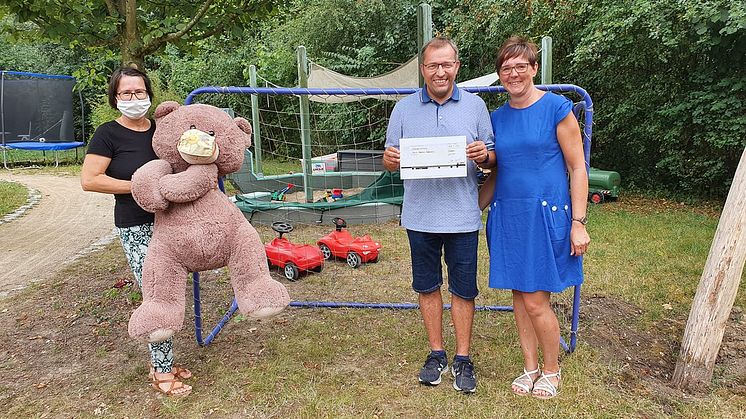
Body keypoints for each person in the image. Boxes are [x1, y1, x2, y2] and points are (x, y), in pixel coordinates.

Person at [479, 36, 591, 399]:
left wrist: (578, 222)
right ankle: (529, 367)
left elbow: (577, 168)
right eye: (506, 68)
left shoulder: (557, 108)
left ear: (534, 68)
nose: (513, 73)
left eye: (520, 66)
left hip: (545, 215)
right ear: (499, 74)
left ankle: (552, 370)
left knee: (535, 300)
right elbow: (498, 171)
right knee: (518, 295)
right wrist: (473, 207)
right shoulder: (497, 118)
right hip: (508, 215)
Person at [383, 37, 495, 394]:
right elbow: (389, 159)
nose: (440, 71)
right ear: (423, 69)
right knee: (427, 286)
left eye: (446, 64)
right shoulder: (403, 109)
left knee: (463, 289)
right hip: (419, 217)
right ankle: (437, 353)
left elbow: (492, 160)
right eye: (433, 65)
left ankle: (463, 357)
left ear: (457, 67)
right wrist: (389, 161)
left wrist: (484, 156)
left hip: (463, 216)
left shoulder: (476, 107)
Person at [80, 67, 192, 397]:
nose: (134, 98)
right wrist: (140, 186)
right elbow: (90, 180)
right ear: (115, 98)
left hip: (170, 222)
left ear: (148, 94)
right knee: (158, 296)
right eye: (126, 93)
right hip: (136, 226)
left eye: (140, 92)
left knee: (171, 292)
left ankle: (165, 363)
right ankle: (161, 373)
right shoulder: (107, 134)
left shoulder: (160, 131)